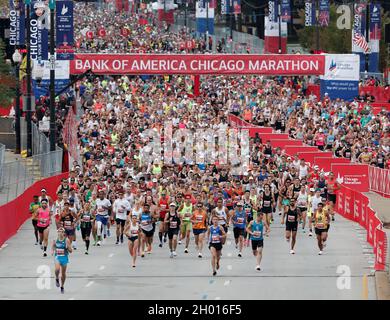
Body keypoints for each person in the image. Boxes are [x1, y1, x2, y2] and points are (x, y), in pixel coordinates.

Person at [52, 227, 72, 294]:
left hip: (64, 257)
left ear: (64, 233)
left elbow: (71, 251)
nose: (60, 233)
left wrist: (67, 247)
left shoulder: (67, 240)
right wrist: (52, 251)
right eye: (59, 231)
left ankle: (62, 286)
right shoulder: (55, 239)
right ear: (57, 232)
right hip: (57, 256)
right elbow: (53, 246)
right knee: (57, 269)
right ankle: (57, 278)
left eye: (61, 231)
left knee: (63, 274)